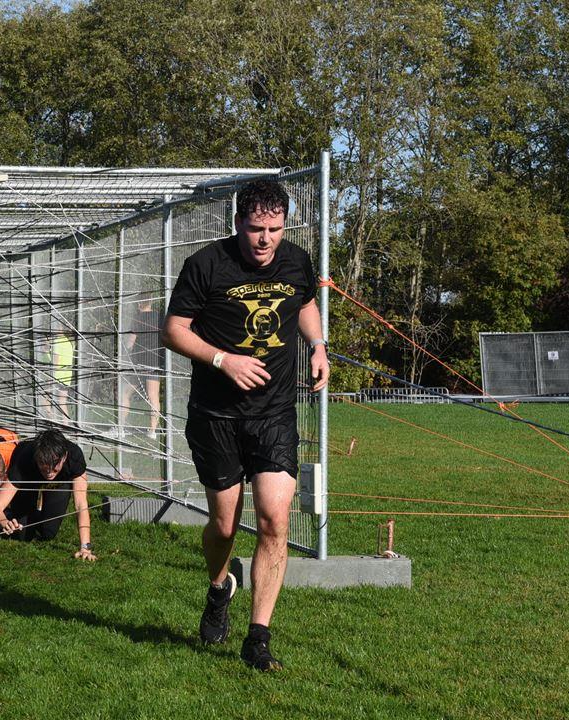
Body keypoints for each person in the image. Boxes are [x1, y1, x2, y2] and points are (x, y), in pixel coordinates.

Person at [161, 178, 329, 671]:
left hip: (274, 413)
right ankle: (219, 587)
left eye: (275, 229)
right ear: (238, 223)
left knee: (275, 519)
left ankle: (258, 637)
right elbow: (173, 330)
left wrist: (318, 346)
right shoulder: (206, 265)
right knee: (224, 525)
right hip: (215, 415)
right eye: (256, 229)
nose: (265, 239)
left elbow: (304, 303)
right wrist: (223, 360)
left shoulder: (296, 261)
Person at [0, 428, 97, 561]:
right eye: (43, 465)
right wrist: (4, 522)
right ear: (36, 458)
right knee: (22, 535)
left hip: (60, 482)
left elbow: (81, 504)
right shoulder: (24, 460)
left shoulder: (74, 457)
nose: (49, 472)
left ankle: (34, 516)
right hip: (28, 480)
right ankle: (11, 515)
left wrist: (85, 547)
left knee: (48, 533)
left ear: (64, 457)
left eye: (54, 465)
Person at [120, 295, 164, 436]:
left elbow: (130, 343)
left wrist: (124, 350)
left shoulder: (138, 318)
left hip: (139, 363)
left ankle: (120, 428)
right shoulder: (160, 317)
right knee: (153, 397)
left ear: (139, 303)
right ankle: (152, 431)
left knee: (125, 393)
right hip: (155, 362)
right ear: (150, 302)